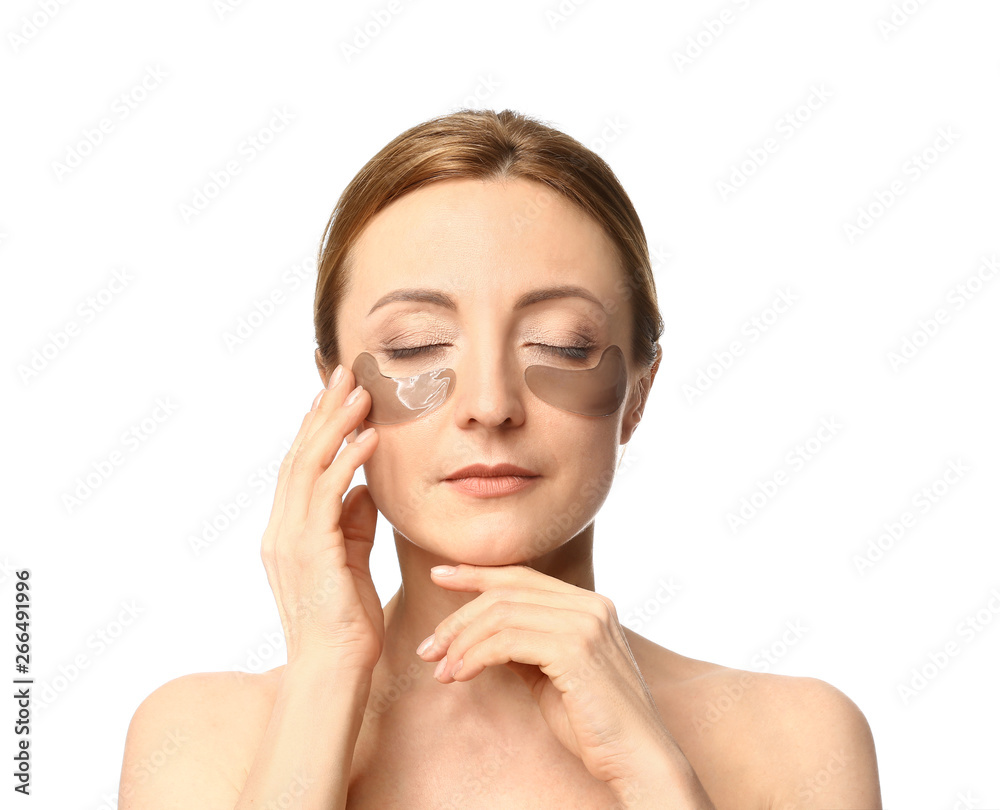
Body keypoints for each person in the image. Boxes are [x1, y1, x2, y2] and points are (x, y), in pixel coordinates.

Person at [117, 109, 882, 809]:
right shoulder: (202, 738)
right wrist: (324, 678)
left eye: (560, 345)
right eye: (414, 346)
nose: (489, 402)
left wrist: (656, 777)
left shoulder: (796, 739)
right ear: (336, 392)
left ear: (638, 392)